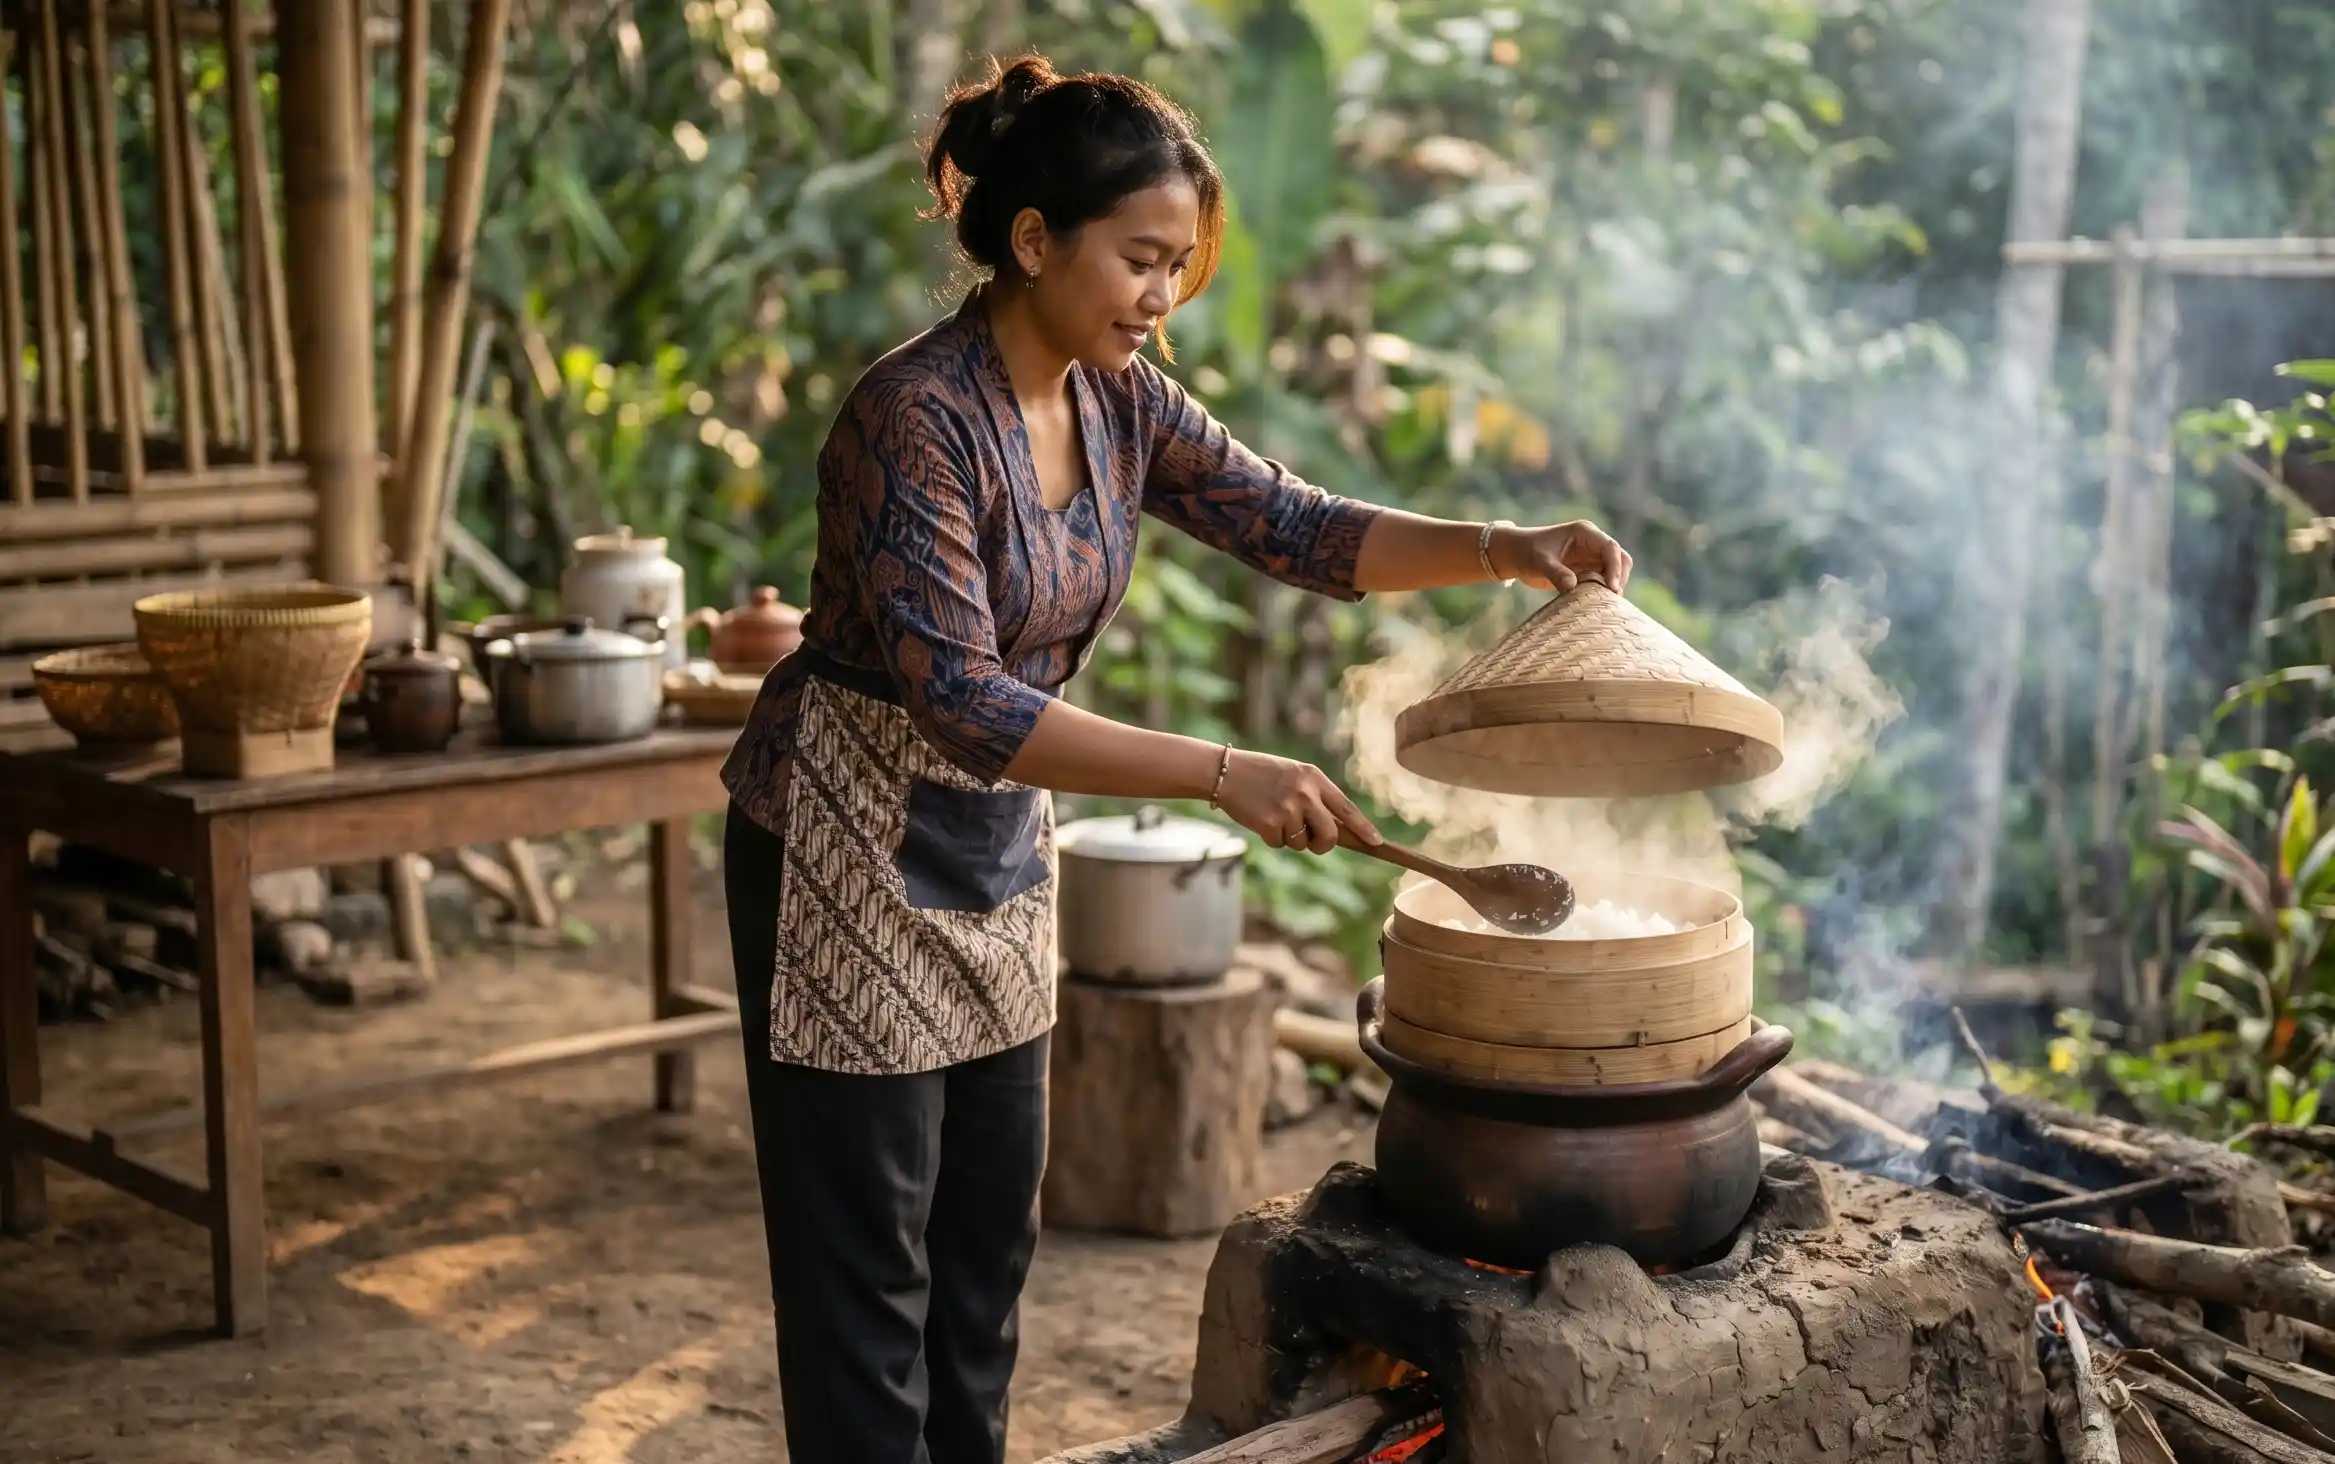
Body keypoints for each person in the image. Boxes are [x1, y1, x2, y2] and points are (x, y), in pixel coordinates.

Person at [717, 53, 1632, 1464]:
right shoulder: (915, 419)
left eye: (1178, 264)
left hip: (992, 845)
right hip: (842, 845)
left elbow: (1299, 527)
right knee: (865, 1281)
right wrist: (1219, 772)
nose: (1162, 295)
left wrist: (1505, 549)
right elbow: (958, 698)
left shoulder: (1118, 400)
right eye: (1140, 260)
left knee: (979, 1264)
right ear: (1034, 241)